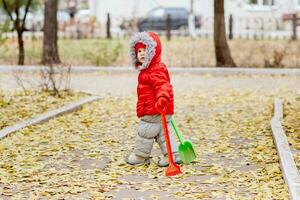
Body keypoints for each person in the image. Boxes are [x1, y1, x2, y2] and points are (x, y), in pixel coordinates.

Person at [125, 31, 181, 167]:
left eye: (145, 50)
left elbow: (163, 85)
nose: (142, 54)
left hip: (155, 108)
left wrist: (162, 98)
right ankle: (172, 155)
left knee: (145, 131)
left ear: (153, 51)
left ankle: (140, 156)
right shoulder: (149, 70)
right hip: (160, 109)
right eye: (139, 51)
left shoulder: (155, 69)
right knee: (163, 132)